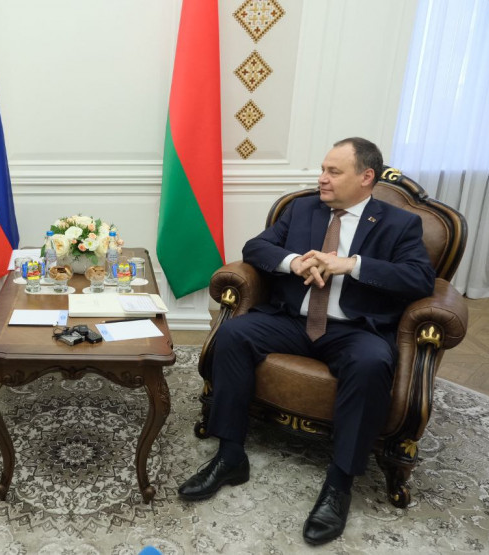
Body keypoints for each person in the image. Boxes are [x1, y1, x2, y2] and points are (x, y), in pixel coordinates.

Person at [177, 138, 435, 545]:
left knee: (371, 364)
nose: (322, 179)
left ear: (365, 177)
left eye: (334, 171)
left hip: (354, 329)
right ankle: (230, 455)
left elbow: (419, 279)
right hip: (292, 321)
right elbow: (256, 247)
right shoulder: (302, 209)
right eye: (322, 169)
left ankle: (339, 483)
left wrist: (351, 265)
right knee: (233, 333)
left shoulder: (399, 224)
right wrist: (293, 262)